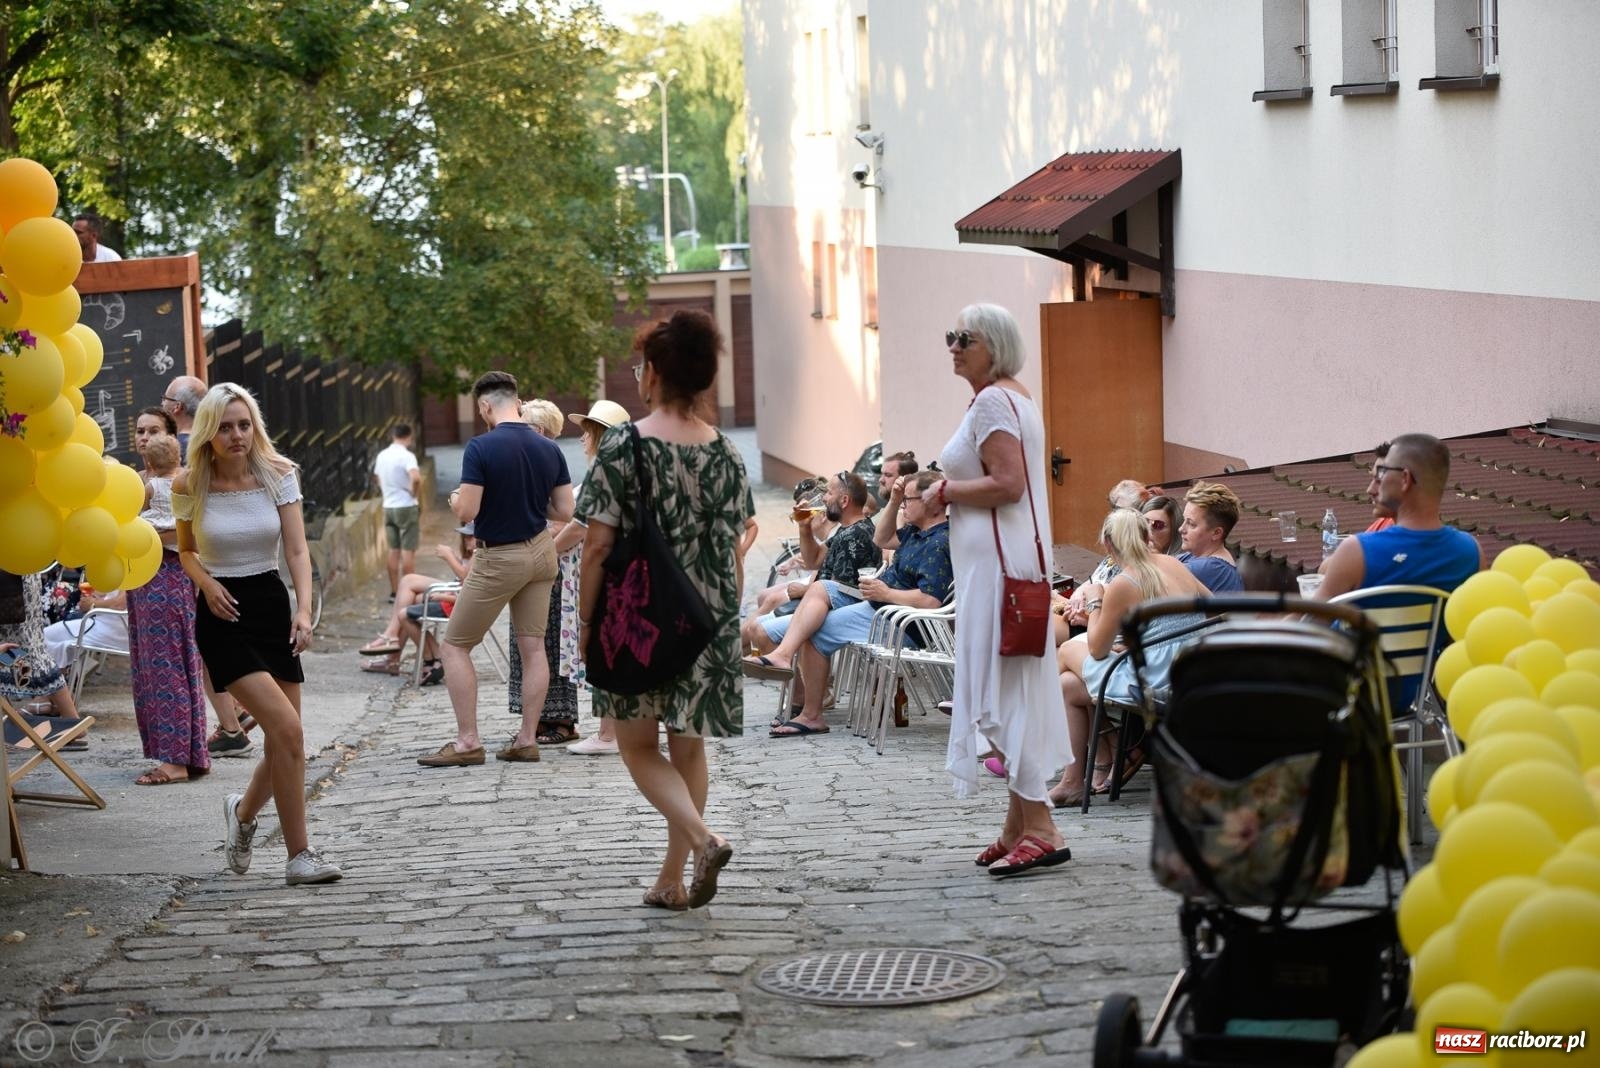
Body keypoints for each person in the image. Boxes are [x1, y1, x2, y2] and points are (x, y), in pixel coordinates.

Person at [576, 310, 752, 910]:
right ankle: (672, 878)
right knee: (690, 747)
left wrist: (586, 622)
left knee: (639, 747)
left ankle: (703, 840)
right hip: (707, 619)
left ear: (652, 373)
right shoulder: (728, 452)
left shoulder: (624, 444)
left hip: (639, 619)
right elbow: (733, 547)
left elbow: (597, 545)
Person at [923, 304, 1074, 877]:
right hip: (1010, 563)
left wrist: (946, 492)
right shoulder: (1016, 396)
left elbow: (1008, 485)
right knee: (1013, 689)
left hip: (999, 571)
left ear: (997, 345)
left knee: (1005, 693)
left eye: (966, 338)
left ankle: (1040, 827)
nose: (954, 346)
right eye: (950, 336)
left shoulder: (993, 401)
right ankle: (1018, 825)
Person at [173, 383, 341, 884]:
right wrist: (206, 584)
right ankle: (299, 856)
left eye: (244, 424)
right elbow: (185, 552)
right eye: (225, 427)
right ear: (207, 431)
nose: (236, 435)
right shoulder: (188, 484)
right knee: (287, 732)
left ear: (256, 427)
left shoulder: (279, 474)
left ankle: (243, 815)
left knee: (283, 741)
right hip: (222, 615)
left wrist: (305, 610)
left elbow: (296, 551)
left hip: (272, 606)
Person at [417, 372, 574, 767]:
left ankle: (468, 741)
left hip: (499, 557)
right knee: (533, 647)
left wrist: (455, 497)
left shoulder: (480, 448)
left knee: (455, 647)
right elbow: (565, 511)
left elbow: (467, 510)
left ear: (486, 406)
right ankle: (525, 738)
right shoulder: (548, 448)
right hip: (541, 553)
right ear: (517, 402)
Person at [747, 469, 953, 737]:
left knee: (817, 611)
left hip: (898, 621)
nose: (903, 505)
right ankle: (800, 695)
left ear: (930, 503)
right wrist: (893, 500)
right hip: (880, 608)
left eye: (907, 500)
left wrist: (886, 593)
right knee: (813, 617)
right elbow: (881, 539)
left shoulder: (938, 542)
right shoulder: (915, 532)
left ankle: (807, 708)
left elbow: (930, 601)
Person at [1050, 509, 1211, 805]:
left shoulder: (1125, 582)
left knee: (1068, 650)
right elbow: (1212, 606)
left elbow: (1098, 649)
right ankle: (1074, 778)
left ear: (1108, 545)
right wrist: (1153, 640)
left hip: (1155, 679)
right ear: (1146, 536)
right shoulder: (1172, 563)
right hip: (1188, 668)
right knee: (1067, 685)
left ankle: (1086, 746)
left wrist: (1097, 599)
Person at [120, 428, 215, 782]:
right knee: (182, 663)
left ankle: (174, 760)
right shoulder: (184, 483)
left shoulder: (153, 488)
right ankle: (191, 754)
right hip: (174, 579)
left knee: (165, 666)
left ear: (148, 461)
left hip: (159, 577)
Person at [546, 398, 631, 755]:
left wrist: (547, 552)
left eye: (587, 432)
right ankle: (614, 731)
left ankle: (609, 734)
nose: (581, 439)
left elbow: (581, 528)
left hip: (598, 573)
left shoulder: (604, 473)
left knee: (602, 650)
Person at [505, 399, 584, 746]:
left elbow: (564, 515)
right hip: (530, 557)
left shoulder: (545, 457)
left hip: (548, 563)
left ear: (536, 430)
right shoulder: (533, 456)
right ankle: (537, 719)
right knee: (532, 641)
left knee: (549, 641)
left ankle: (560, 719)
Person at [1315, 434, 1480, 601]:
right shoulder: (1472, 552)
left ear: (1405, 479)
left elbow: (1308, 620)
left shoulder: (1358, 550)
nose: (1370, 489)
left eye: (1382, 473)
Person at [742, 471, 881, 659]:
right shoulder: (846, 530)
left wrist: (804, 592)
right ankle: (789, 676)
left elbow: (836, 591)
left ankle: (793, 677)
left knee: (760, 630)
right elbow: (813, 560)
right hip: (820, 605)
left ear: (844, 500)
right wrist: (804, 527)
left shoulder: (856, 535)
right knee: (756, 627)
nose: (824, 498)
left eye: (829, 493)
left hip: (835, 612)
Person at [373, 423, 423, 603]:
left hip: (389, 506)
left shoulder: (382, 455)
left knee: (393, 550)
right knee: (408, 551)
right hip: (406, 506)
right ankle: (409, 593)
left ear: (393, 436)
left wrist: (387, 491)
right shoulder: (407, 456)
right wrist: (413, 492)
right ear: (409, 436)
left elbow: (377, 477)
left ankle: (394, 592)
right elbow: (416, 478)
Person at [1176, 481, 1244, 593]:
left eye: (1191, 524)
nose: (1181, 529)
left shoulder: (1212, 568)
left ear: (1216, 533)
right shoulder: (1192, 556)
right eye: (1184, 520)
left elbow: (1147, 575)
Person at [162, 376, 207, 454]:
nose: (162, 403)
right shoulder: (213, 445)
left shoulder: (170, 450)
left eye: (165, 399)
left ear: (177, 406)